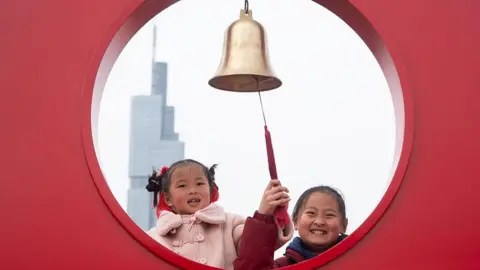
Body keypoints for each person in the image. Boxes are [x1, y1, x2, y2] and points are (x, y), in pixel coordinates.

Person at [145, 159, 293, 270]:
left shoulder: (229, 224)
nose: (192, 190)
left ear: (211, 191)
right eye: (182, 185)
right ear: (168, 198)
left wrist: (267, 213)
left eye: (199, 183)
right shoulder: (155, 237)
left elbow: (256, 251)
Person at [234, 185, 348, 269]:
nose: (319, 221)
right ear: (295, 221)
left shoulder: (355, 259)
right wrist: (264, 215)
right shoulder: (282, 266)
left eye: (329, 215)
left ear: (344, 225)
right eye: (311, 213)